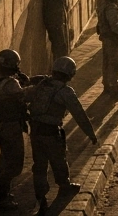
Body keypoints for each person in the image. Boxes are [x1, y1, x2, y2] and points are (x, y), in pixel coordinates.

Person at [25, 56, 99, 212]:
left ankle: (41, 198)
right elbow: (79, 114)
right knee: (59, 160)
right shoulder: (65, 92)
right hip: (51, 132)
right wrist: (90, 134)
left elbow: (24, 96)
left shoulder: (41, 85)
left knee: (39, 166)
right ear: (70, 74)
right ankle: (64, 186)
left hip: (35, 131)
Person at [0, 49, 30, 211]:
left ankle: (1, 186)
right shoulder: (9, 83)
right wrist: (37, 85)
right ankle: (2, 196)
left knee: (5, 156)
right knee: (14, 162)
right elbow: (24, 96)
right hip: (9, 125)